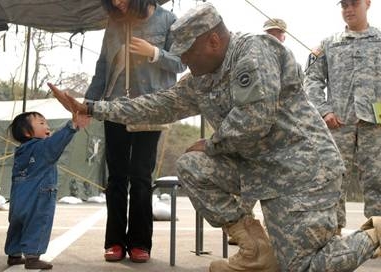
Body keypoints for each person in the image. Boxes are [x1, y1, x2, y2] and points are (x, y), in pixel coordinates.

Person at [49, 2, 381, 271]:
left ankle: (376, 232)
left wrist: (213, 143)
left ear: (212, 41)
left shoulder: (255, 50)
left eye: (187, 53)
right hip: (259, 170)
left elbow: (255, 119)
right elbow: (156, 106)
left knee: (305, 267)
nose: (183, 61)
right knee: (193, 165)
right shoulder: (202, 77)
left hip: (305, 174)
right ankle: (256, 251)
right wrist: (92, 107)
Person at [83, 0, 185, 263]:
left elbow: (181, 63)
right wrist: (88, 105)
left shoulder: (167, 19)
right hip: (115, 105)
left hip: (151, 107)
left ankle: (140, 243)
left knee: (140, 175)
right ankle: (114, 241)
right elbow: (102, 67)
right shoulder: (115, 21)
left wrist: (154, 52)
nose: (117, 3)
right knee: (116, 176)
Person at [304, 0, 381, 236]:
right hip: (339, 124)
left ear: (367, 4)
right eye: (343, 5)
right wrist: (324, 110)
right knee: (334, 178)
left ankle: (377, 233)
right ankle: (333, 233)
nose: (348, 9)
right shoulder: (329, 44)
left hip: (375, 124)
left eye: (353, 4)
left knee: (378, 178)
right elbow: (312, 81)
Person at [4, 111, 88, 270]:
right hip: (39, 197)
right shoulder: (42, 147)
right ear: (27, 133)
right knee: (39, 223)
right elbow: (57, 142)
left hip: (18, 199)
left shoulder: (21, 151)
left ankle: (13, 255)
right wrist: (72, 126)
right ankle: (33, 257)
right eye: (41, 123)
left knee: (16, 225)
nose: (47, 126)